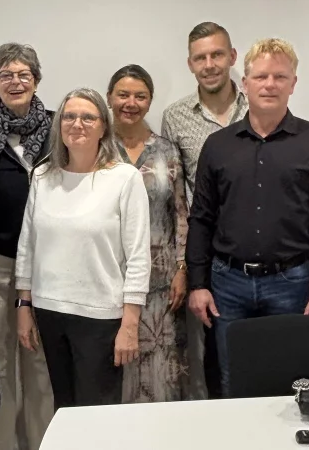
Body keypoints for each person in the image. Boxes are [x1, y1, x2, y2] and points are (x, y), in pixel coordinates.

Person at [186, 38, 309, 397]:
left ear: (293, 83)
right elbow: (200, 218)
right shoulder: (218, 146)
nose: (270, 84)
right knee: (231, 380)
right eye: (261, 76)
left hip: (291, 284)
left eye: (280, 76)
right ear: (244, 83)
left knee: (290, 381)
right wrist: (198, 283)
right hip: (226, 284)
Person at [14, 87, 151, 409]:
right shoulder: (43, 175)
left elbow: (138, 257)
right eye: (70, 116)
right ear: (59, 124)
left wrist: (130, 324)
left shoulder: (124, 179)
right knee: (64, 406)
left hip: (100, 316)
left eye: (88, 117)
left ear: (104, 126)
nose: (77, 123)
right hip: (50, 312)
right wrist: (23, 307)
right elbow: (27, 245)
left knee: (97, 412)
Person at [0, 42, 55, 450]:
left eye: (23, 74)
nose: (15, 81)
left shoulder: (60, 129)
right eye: (6, 75)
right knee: (0, 368)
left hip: (50, 269)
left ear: (37, 79)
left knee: (42, 369)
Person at [160, 22, 248, 399]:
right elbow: (175, 197)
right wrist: (184, 266)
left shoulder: (259, 104)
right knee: (213, 355)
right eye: (201, 57)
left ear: (232, 57)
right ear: (190, 64)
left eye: (216, 55)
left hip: (264, 249)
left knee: (270, 353)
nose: (209, 64)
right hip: (208, 253)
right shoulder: (175, 117)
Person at [106, 64, 191, 403]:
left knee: (163, 374)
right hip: (111, 279)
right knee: (115, 369)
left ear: (150, 101)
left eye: (140, 96)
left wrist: (182, 269)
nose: (131, 102)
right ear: (110, 97)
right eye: (123, 94)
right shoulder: (97, 149)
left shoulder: (167, 151)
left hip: (162, 283)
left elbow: (181, 213)